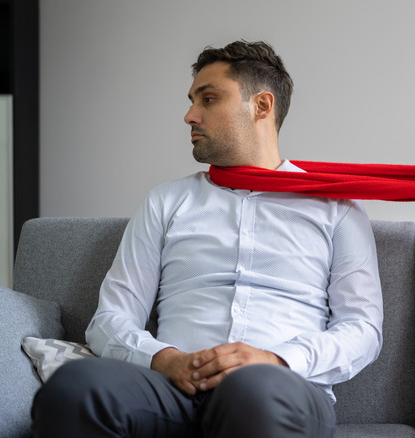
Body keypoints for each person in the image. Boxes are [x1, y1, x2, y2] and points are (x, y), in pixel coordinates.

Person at [31, 40, 383, 438]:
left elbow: (362, 329)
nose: (189, 115)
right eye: (192, 100)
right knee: (75, 387)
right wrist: (165, 359)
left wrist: (275, 359)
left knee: (252, 392)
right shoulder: (166, 201)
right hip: (172, 388)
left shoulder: (336, 205)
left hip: (282, 389)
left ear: (261, 106)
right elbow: (111, 318)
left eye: (209, 99)